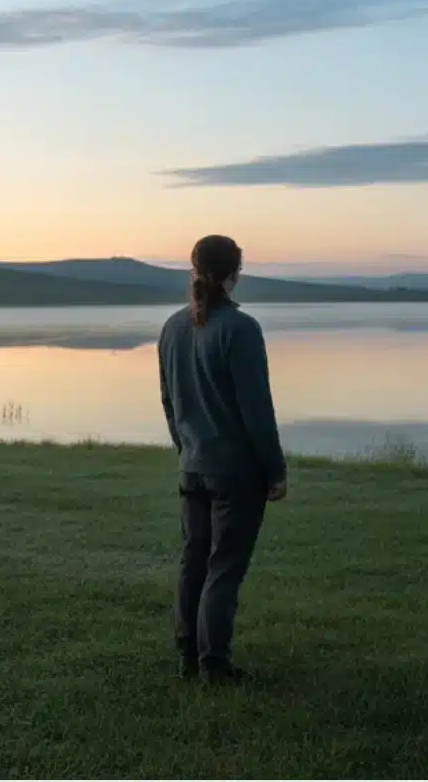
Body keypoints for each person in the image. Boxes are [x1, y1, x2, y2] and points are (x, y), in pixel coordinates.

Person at [158, 234, 288, 685]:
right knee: (223, 567)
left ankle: (188, 656)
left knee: (193, 562)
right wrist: (275, 469)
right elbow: (257, 409)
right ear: (235, 274)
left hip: (193, 465)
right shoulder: (240, 329)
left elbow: (170, 403)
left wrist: (186, 449)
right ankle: (214, 664)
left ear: (193, 270)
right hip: (234, 472)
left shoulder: (172, 328)